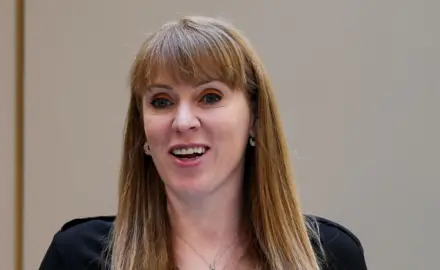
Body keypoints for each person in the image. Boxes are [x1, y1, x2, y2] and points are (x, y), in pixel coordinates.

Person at [39, 16, 367, 270]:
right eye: (162, 101)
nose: (183, 122)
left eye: (209, 97)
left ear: (253, 116)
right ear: (142, 130)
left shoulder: (330, 256)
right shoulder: (76, 258)